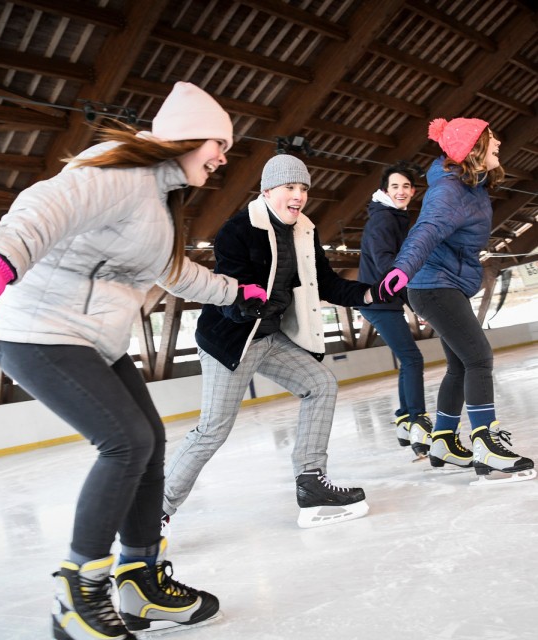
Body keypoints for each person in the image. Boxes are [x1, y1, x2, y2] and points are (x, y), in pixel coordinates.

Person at [0, 81, 269, 640]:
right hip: (36, 329)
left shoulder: (157, 201)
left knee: (148, 442)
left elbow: (174, 273)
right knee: (126, 441)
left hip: (90, 339)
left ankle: (140, 581)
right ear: (185, 138)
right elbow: (47, 206)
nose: (224, 157)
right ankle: (78, 596)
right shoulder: (116, 175)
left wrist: (236, 293)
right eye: (218, 144)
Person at [163, 154, 388, 530]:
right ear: (268, 191)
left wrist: (372, 293)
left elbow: (327, 283)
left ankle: (311, 483)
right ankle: (157, 510)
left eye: (303, 189)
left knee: (320, 385)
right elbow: (227, 293)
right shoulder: (238, 230)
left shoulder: (304, 230)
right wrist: (244, 302)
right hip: (229, 342)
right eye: (290, 188)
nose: (298, 196)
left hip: (268, 338)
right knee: (212, 429)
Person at [376, 117, 536, 484]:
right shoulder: (449, 190)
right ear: (473, 147)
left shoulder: (471, 186)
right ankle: (485, 442)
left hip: (444, 285)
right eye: (491, 138)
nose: (498, 143)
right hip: (433, 285)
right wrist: (402, 269)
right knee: (479, 357)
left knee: (462, 364)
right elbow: (426, 230)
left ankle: (444, 440)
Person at [357, 161, 433, 458]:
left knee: (408, 359)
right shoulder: (383, 220)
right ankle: (417, 420)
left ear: (413, 191)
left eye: (406, 186)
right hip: (378, 300)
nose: (401, 191)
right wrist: (416, 304)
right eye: (395, 186)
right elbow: (388, 266)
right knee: (413, 359)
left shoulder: (395, 216)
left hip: (382, 301)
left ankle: (404, 420)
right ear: (384, 190)